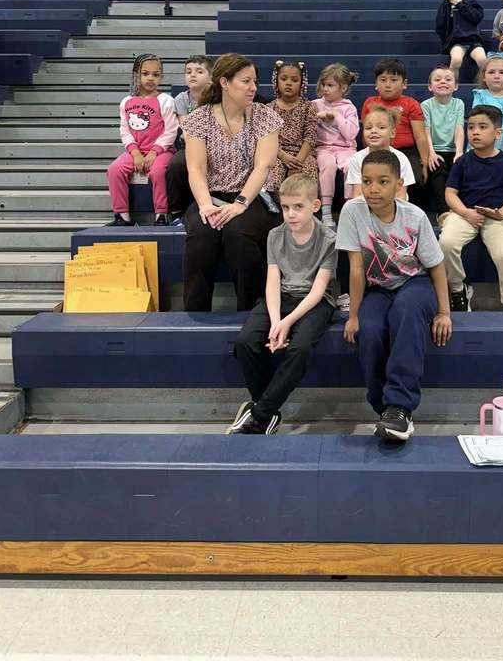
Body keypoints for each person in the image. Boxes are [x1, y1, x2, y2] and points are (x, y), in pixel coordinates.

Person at [336, 149, 452, 442]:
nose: (373, 189)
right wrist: (352, 316)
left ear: (399, 184)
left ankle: (400, 405)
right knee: (370, 328)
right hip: (378, 289)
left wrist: (444, 312)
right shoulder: (352, 212)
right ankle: (386, 409)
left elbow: (437, 267)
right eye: (366, 181)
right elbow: (356, 268)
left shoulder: (415, 217)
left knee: (406, 309)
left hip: (416, 283)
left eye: (383, 182)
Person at [230, 174, 337, 435]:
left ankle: (260, 414)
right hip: (281, 298)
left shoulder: (328, 238)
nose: (290, 214)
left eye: (298, 207)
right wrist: (276, 321)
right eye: (286, 207)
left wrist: (287, 323)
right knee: (245, 342)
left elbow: (318, 290)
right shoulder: (275, 235)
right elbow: (272, 282)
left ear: (314, 206)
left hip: (316, 301)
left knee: (299, 349)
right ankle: (268, 410)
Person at [182, 53, 283, 312]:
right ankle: (195, 313)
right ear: (224, 83)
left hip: (254, 196)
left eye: (254, 82)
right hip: (211, 196)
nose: (253, 88)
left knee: (238, 233)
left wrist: (240, 203)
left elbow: (264, 166)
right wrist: (205, 205)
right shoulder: (199, 118)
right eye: (245, 81)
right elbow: (195, 168)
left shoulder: (265, 116)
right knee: (201, 236)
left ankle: (251, 311)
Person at [440, 105, 503, 312]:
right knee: (446, 243)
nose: (475, 132)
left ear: (497, 133)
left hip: (499, 216)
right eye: (471, 127)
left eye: (482, 127)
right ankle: (458, 289)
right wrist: (465, 213)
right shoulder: (462, 162)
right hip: (465, 213)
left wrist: (502, 213)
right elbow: (450, 193)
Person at [106, 53, 178, 226]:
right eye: (145, 74)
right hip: (135, 151)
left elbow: (171, 130)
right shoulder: (127, 101)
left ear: (161, 77)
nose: (150, 78)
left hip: (161, 151)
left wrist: (154, 152)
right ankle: (122, 216)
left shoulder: (166, 100)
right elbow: (125, 130)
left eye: (155, 74)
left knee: (158, 172)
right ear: (136, 75)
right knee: (114, 169)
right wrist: (135, 152)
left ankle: (161, 215)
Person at [360, 57, 429, 202]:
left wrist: (424, 163)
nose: (388, 85)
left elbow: (420, 136)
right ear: (376, 83)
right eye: (383, 80)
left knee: (416, 178)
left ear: (404, 84)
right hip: (377, 149)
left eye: (393, 80)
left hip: (407, 152)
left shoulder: (411, 104)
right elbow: (366, 132)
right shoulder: (370, 103)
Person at [311, 62, 360, 230]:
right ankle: (326, 211)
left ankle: (350, 208)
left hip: (346, 149)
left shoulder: (349, 107)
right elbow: (309, 127)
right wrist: (319, 117)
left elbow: (351, 134)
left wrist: (337, 117)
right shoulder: (315, 104)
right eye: (323, 84)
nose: (325, 88)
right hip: (324, 148)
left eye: (330, 85)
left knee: (351, 165)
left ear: (343, 87)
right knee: (328, 166)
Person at [167, 55, 214, 224]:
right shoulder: (182, 99)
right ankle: (177, 213)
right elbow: (186, 128)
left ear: (211, 77)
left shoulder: (218, 96)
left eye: (199, 71)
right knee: (175, 165)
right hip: (190, 144)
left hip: (215, 144)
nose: (192, 75)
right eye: (188, 72)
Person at [422, 67, 465, 224]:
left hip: (453, 149)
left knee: (459, 169)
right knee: (437, 169)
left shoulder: (458, 104)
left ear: (456, 86)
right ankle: (444, 212)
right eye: (438, 79)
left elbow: (459, 128)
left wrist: (459, 152)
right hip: (434, 150)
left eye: (448, 79)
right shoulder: (426, 105)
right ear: (430, 86)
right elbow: (426, 131)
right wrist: (431, 153)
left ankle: (458, 208)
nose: (443, 82)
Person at [345, 105, 415, 200]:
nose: (373, 131)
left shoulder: (401, 159)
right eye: (368, 128)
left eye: (381, 127)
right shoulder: (357, 159)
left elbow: (400, 195)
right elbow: (358, 195)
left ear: (392, 133)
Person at [269, 60, 320, 191]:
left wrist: (298, 161)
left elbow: (310, 136)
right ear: (276, 81)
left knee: (306, 172)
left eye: (294, 80)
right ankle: (273, 208)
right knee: (271, 172)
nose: (288, 83)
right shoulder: (269, 108)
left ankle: (307, 209)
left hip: (302, 154)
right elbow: (267, 138)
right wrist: (282, 155)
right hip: (277, 153)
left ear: (302, 83)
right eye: (284, 79)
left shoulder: (309, 107)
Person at [434, 0, 486, 82]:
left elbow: (477, 17)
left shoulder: (470, 1)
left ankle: (485, 86)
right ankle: (453, 84)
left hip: (473, 40)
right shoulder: (444, 6)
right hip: (456, 42)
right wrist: (446, 42)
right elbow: (440, 27)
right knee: (456, 60)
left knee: (482, 59)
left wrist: (460, 4)